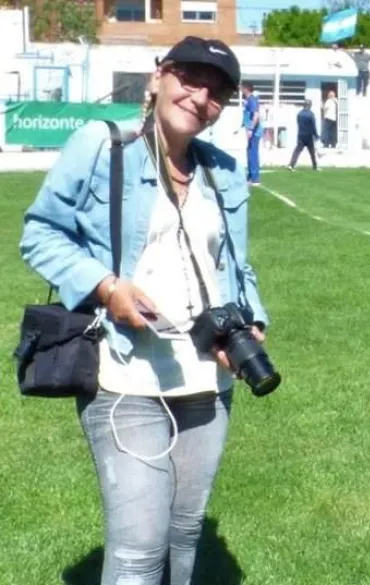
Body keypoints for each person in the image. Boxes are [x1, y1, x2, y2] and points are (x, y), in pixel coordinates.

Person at [18, 36, 271, 585]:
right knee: (138, 552)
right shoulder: (102, 144)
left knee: (184, 536)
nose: (200, 96)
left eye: (217, 90)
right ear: (159, 77)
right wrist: (108, 288)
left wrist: (251, 322)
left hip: (208, 384)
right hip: (125, 377)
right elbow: (39, 233)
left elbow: (238, 267)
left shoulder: (222, 170)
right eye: (190, 77)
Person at [288, 99, 318, 171]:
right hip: (308, 135)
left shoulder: (299, 114)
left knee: (297, 151)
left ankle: (291, 165)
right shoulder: (311, 114)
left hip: (301, 134)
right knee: (312, 152)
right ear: (310, 105)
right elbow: (313, 126)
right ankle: (315, 166)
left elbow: (298, 123)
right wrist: (316, 134)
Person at [242, 81, 261, 185]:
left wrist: (251, 129)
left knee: (253, 153)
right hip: (250, 130)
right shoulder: (248, 100)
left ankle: (255, 178)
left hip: (254, 132)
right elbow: (247, 115)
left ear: (246, 89)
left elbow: (256, 115)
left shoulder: (252, 99)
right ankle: (250, 176)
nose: (241, 90)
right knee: (249, 153)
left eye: (242, 88)